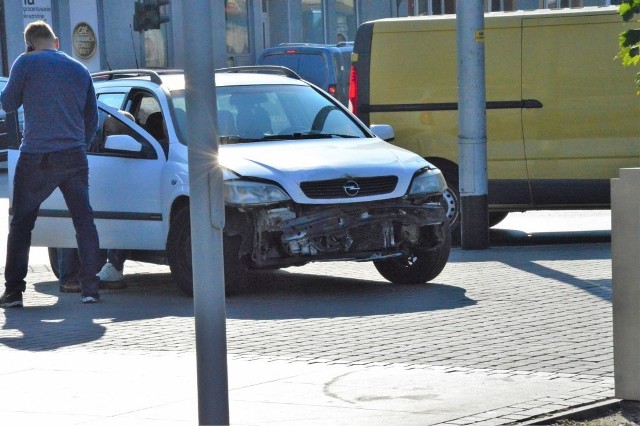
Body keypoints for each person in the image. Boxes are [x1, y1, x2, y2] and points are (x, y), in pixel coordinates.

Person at [0, 20, 100, 306]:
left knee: (21, 223)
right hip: (74, 156)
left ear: (30, 44)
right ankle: (90, 289)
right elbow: (91, 118)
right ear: (56, 42)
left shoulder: (25, 63)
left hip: (36, 156)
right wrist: (80, 143)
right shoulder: (80, 69)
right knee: (84, 221)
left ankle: (14, 292)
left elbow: (7, 104)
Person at [58, 110, 135, 291]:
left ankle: (97, 274)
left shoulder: (128, 149)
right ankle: (69, 277)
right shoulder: (87, 145)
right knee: (73, 227)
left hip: (103, 205)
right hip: (83, 198)